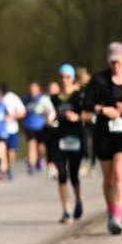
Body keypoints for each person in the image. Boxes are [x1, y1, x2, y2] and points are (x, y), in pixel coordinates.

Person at [81, 41, 122, 235]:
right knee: (109, 180)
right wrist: (103, 109)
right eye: (112, 61)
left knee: (120, 175)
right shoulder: (98, 80)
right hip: (104, 133)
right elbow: (86, 103)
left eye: (118, 61)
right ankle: (111, 211)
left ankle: (117, 218)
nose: (115, 64)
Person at [49, 64, 86, 224]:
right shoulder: (54, 98)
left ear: (72, 78)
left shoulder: (79, 96)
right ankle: (66, 211)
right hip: (60, 139)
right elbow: (52, 114)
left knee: (73, 174)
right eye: (62, 77)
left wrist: (77, 117)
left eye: (67, 77)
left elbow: (89, 114)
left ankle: (79, 199)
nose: (64, 80)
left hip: (76, 138)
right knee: (62, 174)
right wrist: (51, 120)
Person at [23, 82, 51, 173]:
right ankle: (31, 164)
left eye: (34, 90)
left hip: (41, 126)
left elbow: (49, 110)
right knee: (32, 145)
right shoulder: (26, 99)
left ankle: (40, 158)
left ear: (38, 91)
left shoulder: (43, 99)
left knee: (41, 147)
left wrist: (45, 112)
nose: (33, 92)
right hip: (30, 126)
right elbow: (22, 110)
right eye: (31, 90)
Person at [0, 83, 26, 180]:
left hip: (12, 129)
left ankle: (9, 168)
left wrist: (13, 116)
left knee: (11, 150)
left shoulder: (13, 97)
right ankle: (3, 168)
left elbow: (23, 112)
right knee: (3, 150)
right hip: (1, 129)